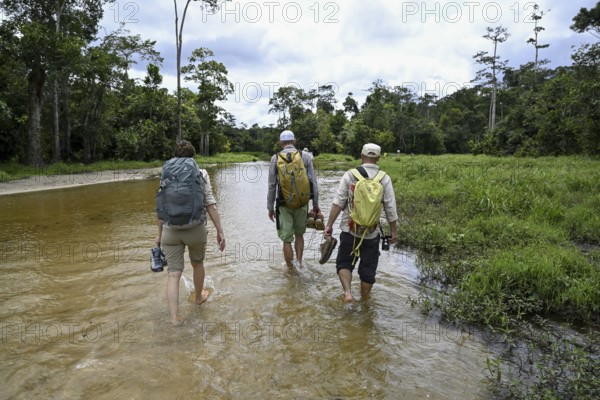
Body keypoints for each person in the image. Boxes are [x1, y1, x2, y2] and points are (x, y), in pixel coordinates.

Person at [155, 140, 225, 326]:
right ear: (193, 157)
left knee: (173, 274)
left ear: (175, 156)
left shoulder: (166, 172)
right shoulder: (200, 173)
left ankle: (174, 319)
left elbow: (161, 206)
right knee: (197, 265)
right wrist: (220, 230)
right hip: (196, 229)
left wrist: (159, 234)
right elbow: (210, 202)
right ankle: (198, 299)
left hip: (170, 231)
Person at [323, 143, 398, 302]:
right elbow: (390, 207)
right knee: (368, 270)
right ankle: (365, 301)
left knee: (344, 263)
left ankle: (348, 293)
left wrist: (329, 225)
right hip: (372, 233)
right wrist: (393, 231)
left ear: (362, 156)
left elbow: (338, 202)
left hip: (350, 231)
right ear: (378, 158)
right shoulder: (384, 178)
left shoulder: (350, 175)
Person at [267, 130, 319, 270]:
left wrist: (270, 208)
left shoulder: (275, 158)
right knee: (299, 234)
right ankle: (300, 262)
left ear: (281, 142)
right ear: (294, 141)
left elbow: (272, 186)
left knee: (287, 239)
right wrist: (315, 205)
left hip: (283, 204)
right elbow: (313, 182)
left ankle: (290, 270)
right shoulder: (306, 156)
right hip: (302, 203)